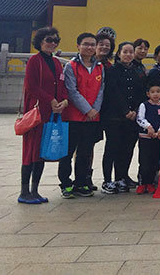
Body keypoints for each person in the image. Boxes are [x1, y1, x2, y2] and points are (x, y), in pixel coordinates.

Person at [19, 27, 68, 204]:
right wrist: (50, 99)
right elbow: (31, 86)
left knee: (41, 152)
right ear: (40, 42)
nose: (52, 43)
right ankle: (24, 192)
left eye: (55, 40)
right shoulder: (35, 61)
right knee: (30, 152)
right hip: (37, 114)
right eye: (49, 40)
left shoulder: (56, 63)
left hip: (51, 114)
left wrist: (64, 100)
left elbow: (61, 85)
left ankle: (35, 190)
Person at [60, 32, 104, 198]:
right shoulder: (71, 66)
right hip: (73, 116)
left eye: (92, 44)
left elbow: (101, 90)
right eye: (86, 44)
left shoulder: (99, 67)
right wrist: (88, 110)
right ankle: (65, 183)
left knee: (85, 152)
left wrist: (95, 110)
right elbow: (72, 91)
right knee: (68, 152)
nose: (89, 47)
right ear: (78, 46)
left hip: (92, 117)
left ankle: (80, 182)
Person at [100, 41, 146, 194]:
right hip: (114, 116)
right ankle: (107, 180)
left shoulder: (136, 71)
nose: (128, 55)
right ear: (119, 54)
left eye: (131, 52)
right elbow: (113, 93)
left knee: (127, 149)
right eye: (125, 52)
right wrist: (125, 110)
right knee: (112, 148)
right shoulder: (112, 71)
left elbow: (140, 92)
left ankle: (121, 177)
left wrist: (135, 110)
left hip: (132, 117)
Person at [135, 82, 160, 194]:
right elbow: (140, 118)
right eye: (152, 92)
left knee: (154, 161)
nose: (155, 94)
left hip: (157, 138)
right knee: (144, 161)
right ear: (148, 94)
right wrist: (149, 127)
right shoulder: (144, 105)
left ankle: (150, 183)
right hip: (145, 137)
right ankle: (142, 183)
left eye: (158, 92)